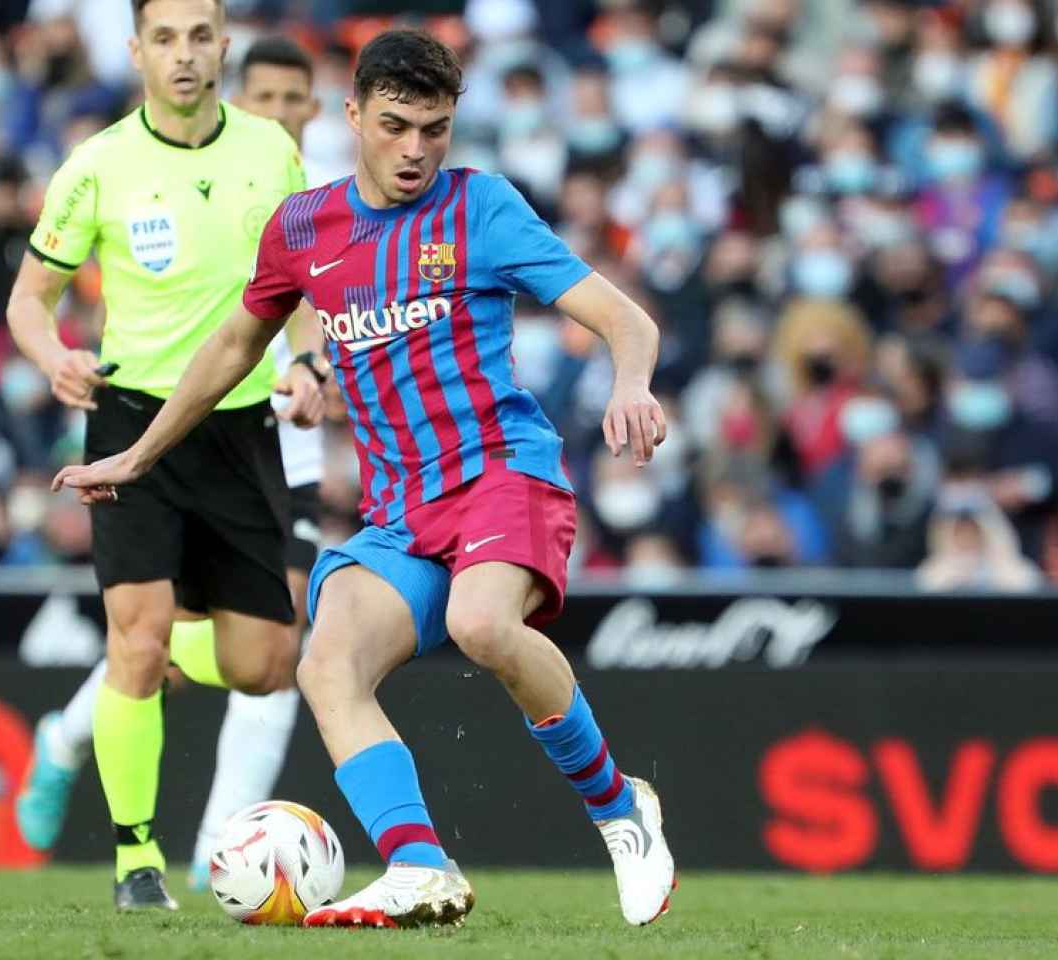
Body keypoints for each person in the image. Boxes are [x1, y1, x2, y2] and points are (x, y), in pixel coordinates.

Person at [54, 28, 676, 929]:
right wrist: (140, 454)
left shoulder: (484, 209)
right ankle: (420, 866)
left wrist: (630, 382)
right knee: (326, 660)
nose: (417, 148)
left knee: (480, 623)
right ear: (352, 117)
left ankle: (620, 806)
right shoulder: (304, 228)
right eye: (396, 126)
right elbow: (235, 344)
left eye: (436, 127)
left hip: (503, 474)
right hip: (402, 512)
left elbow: (625, 319)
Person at [6, 0, 324, 912]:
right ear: (137, 50)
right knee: (137, 643)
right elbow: (30, 300)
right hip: (129, 425)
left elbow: (297, 279)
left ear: (222, 45)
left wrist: (304, 358)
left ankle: (129, 658)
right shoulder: (96, 166)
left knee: (266, 664)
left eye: (199, 36)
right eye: (165, 38)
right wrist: (52, 354)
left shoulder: (273, 150)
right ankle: (136, 860)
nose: (184, 56)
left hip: (240, 426)